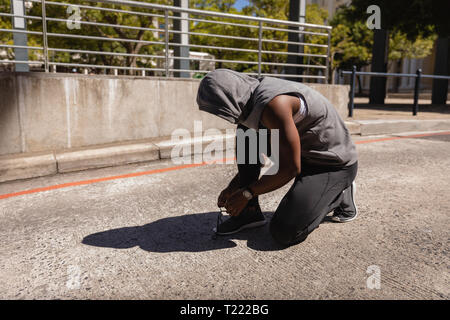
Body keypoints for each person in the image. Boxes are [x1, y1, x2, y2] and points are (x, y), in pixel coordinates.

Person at [196, 69, 358, 246]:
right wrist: (234, 187)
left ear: (228, 97)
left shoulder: (274, 105)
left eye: (220, 109)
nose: (223, 116)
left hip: (330, 164)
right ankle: (249, 214)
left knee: (284, 232)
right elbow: (258, 157)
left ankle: (338, 194)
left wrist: (246, 193)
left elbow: (290, 169)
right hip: (303, 154)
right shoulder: (250, 98)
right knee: (245, 131)